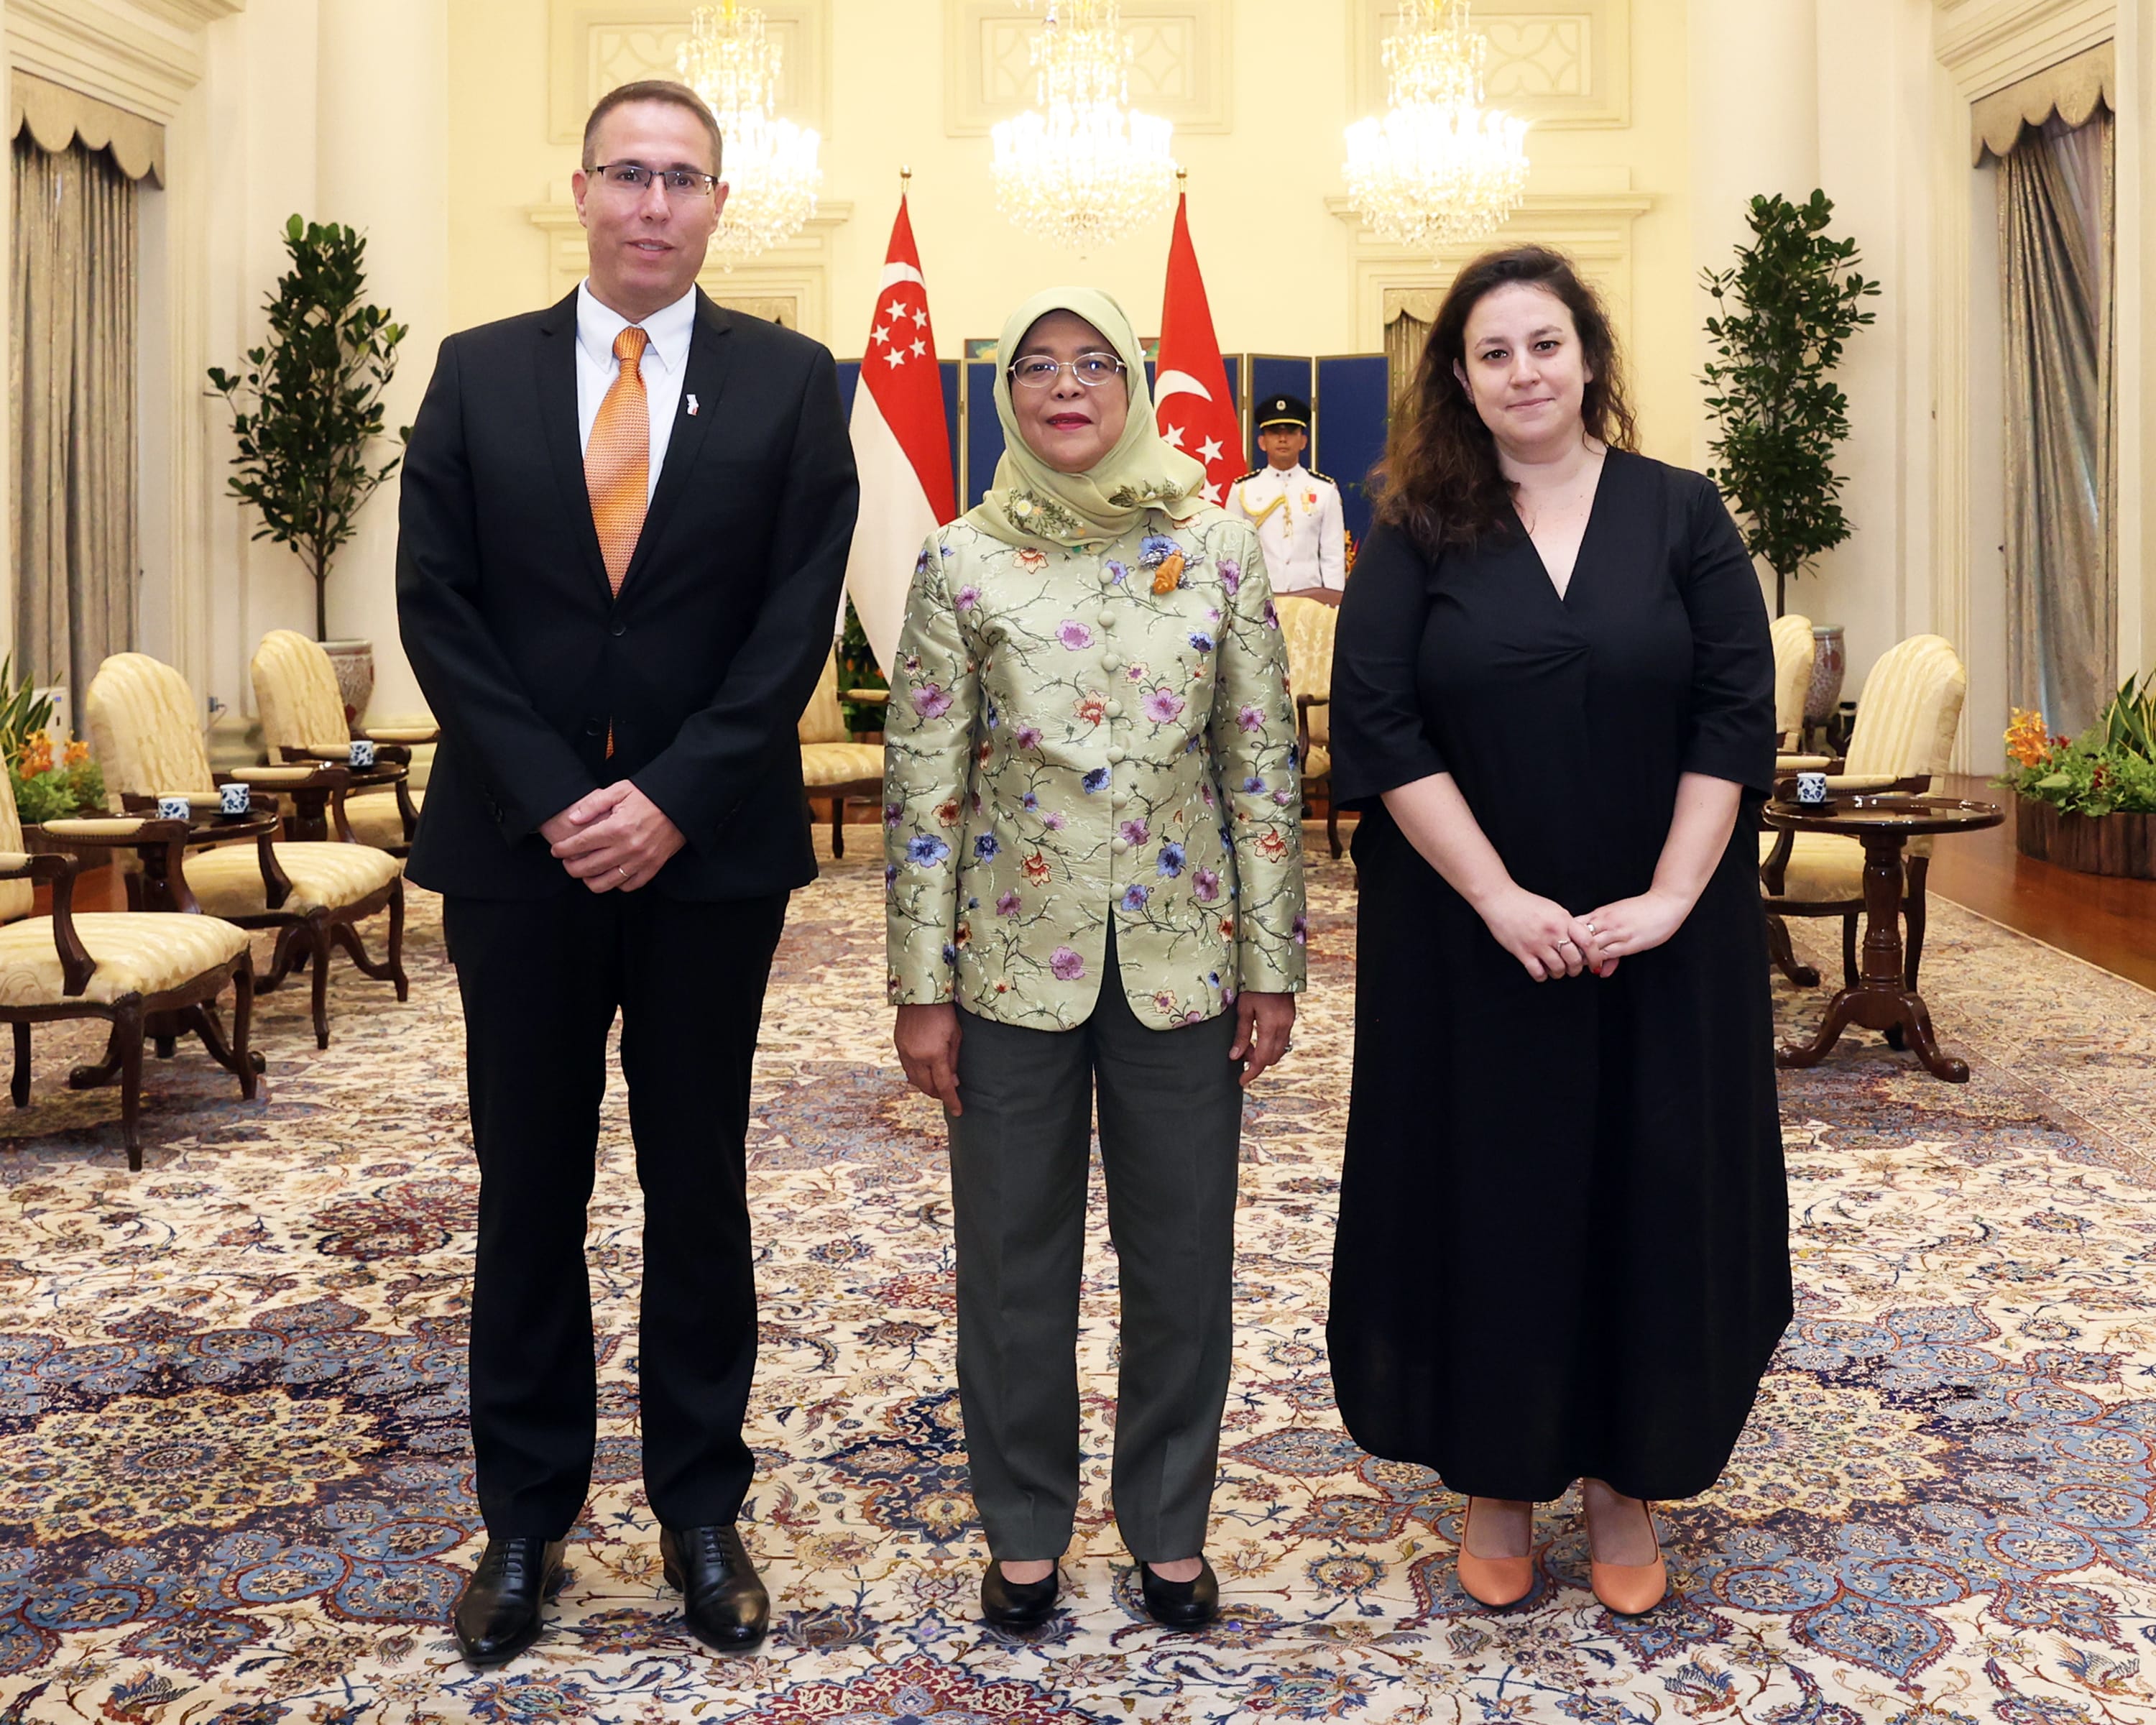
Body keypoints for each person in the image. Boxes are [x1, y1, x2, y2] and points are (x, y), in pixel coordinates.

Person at [395, 79, 858, 1666]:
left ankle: (701, 1511)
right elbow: (438, 606)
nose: (654, 203)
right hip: (516, 855)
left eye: (684, 178)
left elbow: (794, 622)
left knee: (696, 1183)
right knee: (530, 1185)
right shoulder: (474, 373)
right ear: (581, 190)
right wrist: (556, 799)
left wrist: (669, 796)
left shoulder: (792, 383)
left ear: (720, 205)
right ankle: (524, 1522)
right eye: (629, 174)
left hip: (707, 856)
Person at [1325, 245, 1787, 1617]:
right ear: (1459, 380)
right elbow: (1378, 724)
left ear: (1588, 356)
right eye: (1493, 352)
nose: (1523, 372)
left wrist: (1672, 897)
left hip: (1662, 940)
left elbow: (1735, 712)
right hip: (1470, 941)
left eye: (1544, 344)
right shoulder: (1418, 528)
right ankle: (1497, 1478)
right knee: (1493, 1195)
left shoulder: (1682, 510)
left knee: (1650, 1188)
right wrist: (1497, 898)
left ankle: (1626, 1479)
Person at [883, 287, 1307, 1632]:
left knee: (1182, 1259)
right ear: (1006, 395)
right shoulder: (961, 560)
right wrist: (920, 988)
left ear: (1131, 385)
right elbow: (924, 782)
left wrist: (1274, 962)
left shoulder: (1219, 546)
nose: (1065, 387)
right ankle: (1024, 1530)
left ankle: (1168, 1526)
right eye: (1035, 367)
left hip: (1187, 963)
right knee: (1013, 1264)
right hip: (1009, 963)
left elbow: (1261, 764)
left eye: (1091, 364)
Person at [1231, 394, 1346, 604]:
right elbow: (1233, 550)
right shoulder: (1242, 489)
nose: (1283, 439)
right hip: (1258, 600)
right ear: (1262, 442)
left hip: (1311, 602)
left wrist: (1334, 604)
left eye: (1291, 432)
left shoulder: (1324, 490)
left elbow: (1333, 555)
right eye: (1274, 432)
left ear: (1303, 441)